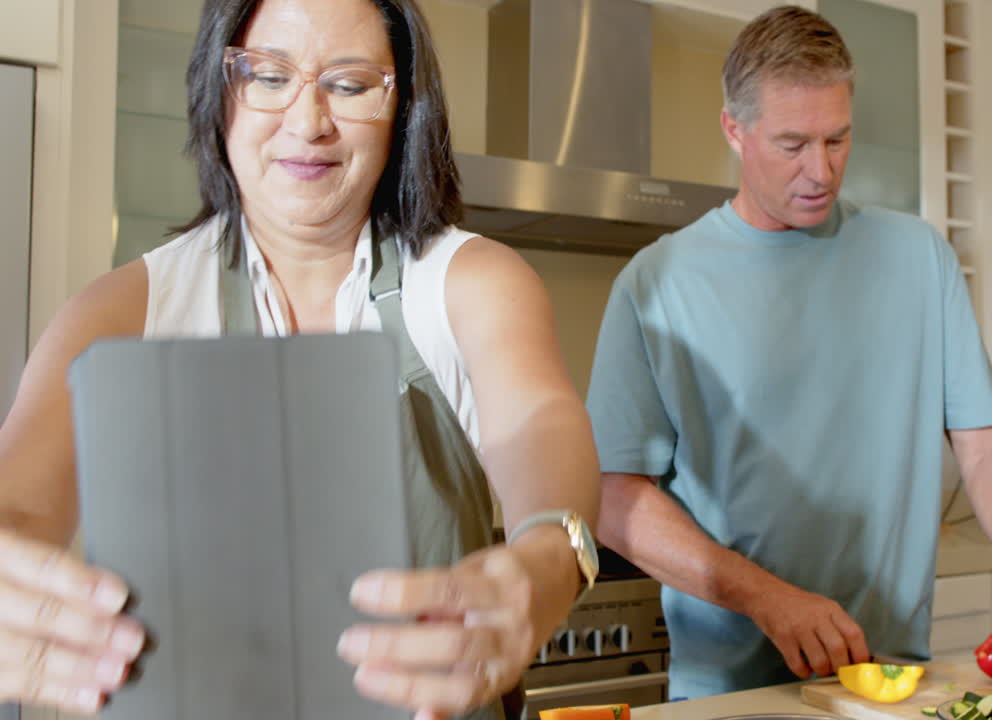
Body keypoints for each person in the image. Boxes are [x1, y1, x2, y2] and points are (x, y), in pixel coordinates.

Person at [0, 0, 600, 718]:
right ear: (219, 90)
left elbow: (537, 419)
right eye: (267, 76)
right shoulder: (120, 310)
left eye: (348, 85)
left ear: (403, 106)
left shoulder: (470, 283)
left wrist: (546, 559)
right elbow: (20, 507)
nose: (307, 121)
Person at [586, 5, 992, 701]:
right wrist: (766, 598)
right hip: (728, 694)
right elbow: (614, 500)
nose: (821, 170)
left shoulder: (919, 259)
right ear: (735, 129)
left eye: (838, 139)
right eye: (793, 145)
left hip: (891, 682)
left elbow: (984, 446)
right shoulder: (655, 283)